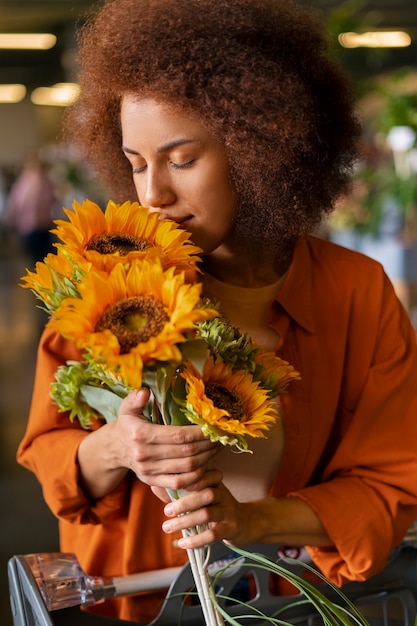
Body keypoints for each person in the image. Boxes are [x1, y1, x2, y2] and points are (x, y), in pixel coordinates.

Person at [17, 0, 417, 623]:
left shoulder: (356, 294)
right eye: (136, 164)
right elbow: (52, 457)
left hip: (288, 607)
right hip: (129, 602)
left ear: (264, 148)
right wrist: (119, 446)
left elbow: (389, 483)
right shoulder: (108, 286)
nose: (152, 195)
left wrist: (250, 520)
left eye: (181, 159)